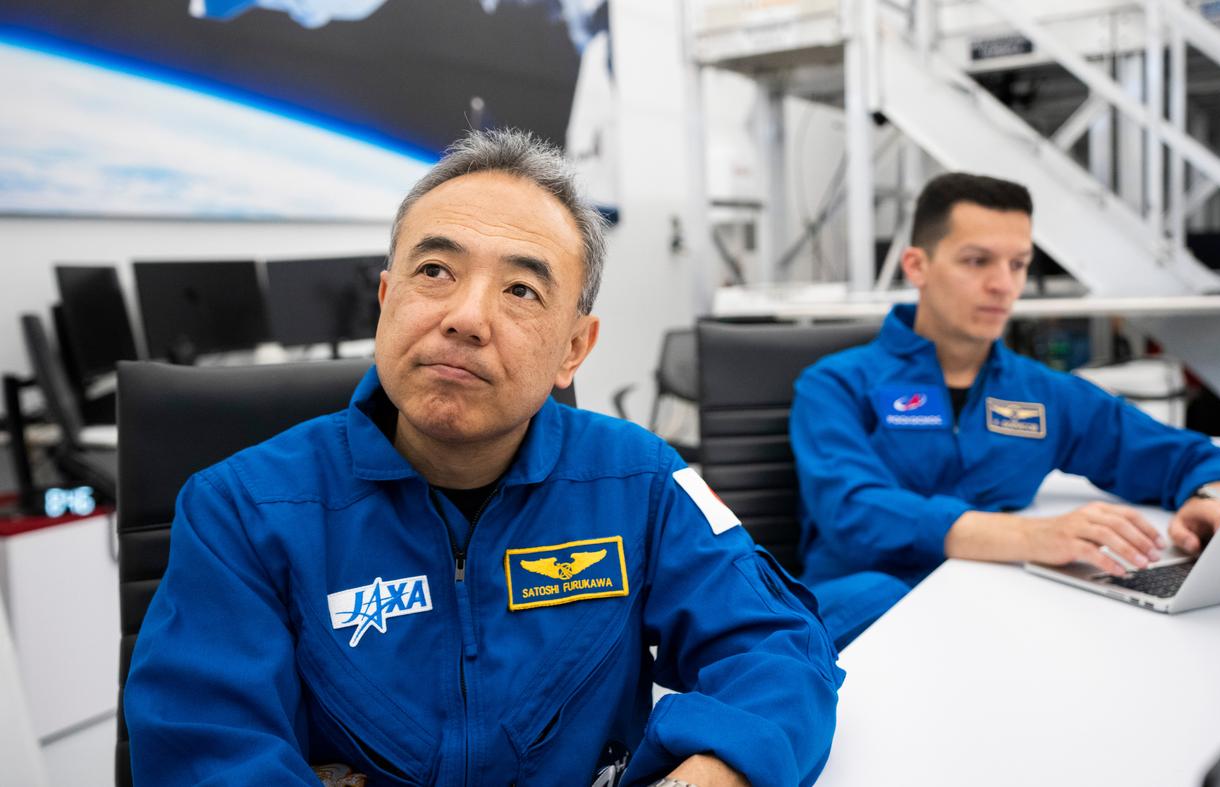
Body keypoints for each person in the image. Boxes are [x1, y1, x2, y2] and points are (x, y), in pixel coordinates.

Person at [124, 129, 843, 786]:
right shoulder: (240, 511)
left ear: (574, 349)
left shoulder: (640, 482)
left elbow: (777, 649)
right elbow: (207, 752)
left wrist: (710, 774)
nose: (466, 317)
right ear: (386, 300)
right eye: (435, 270)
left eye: (521, 289)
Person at [790, 172, 1220, 649]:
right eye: (977, 261)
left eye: (1017, 264)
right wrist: (1029, 537)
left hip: (991, 611)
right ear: (917, 266)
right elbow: (854, 510)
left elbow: (1184, 456)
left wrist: (1210, 498)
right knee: (877, 595)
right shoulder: (835, 385)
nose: (1003, 285)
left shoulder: (1042, 394)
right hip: (862, 619)